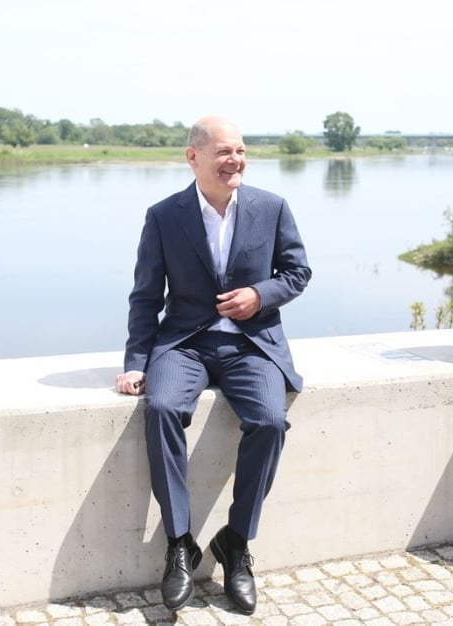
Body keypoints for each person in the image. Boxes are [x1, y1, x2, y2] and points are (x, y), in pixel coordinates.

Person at [115, 115, 311, 614]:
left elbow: (297, 272)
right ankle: (180, 544)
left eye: (241, 151)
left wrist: (259, 295)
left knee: (269, 421)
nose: (235, 160)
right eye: (224, 151)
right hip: (184, 342)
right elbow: (144, 298)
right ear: (193, 157)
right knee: (160, 409)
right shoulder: (163, 216)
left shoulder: (272, 207)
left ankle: (236, 543)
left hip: (253, 343)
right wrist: (137, 360)